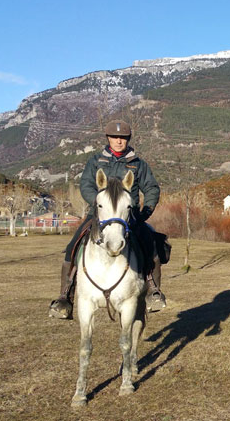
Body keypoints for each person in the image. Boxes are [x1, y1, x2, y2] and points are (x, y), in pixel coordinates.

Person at [48, 120, 167, 319]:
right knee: (72, 247)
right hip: (98, 216)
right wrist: (97, 204)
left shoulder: (138, 164)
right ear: (108, 139)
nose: (119, 141)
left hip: (129, 218)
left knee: (151, 245)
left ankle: (153, 291)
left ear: (128, 140)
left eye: (123, 138)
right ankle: (65, 297)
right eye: (115, 137)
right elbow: (86, 184)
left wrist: (145, 212)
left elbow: (152, 188)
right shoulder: (95, 161)